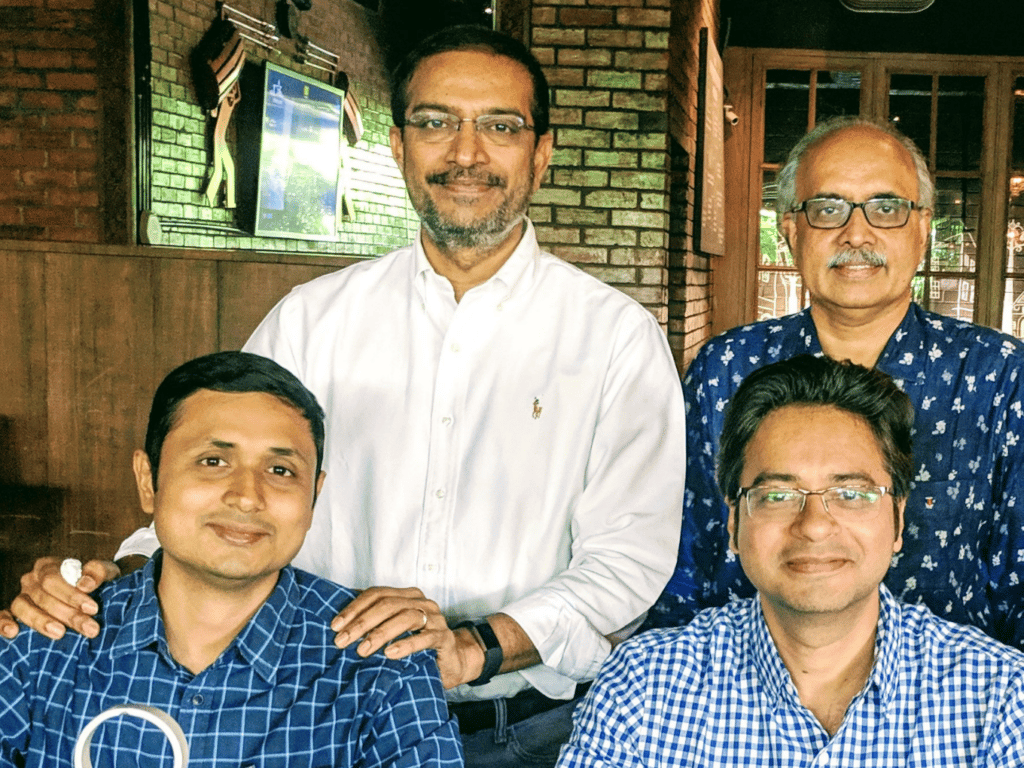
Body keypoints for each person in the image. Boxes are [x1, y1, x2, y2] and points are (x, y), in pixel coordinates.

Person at [2, 26, 686, 767]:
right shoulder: (313, 319)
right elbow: (228, 473)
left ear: (541, 152)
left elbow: (627, 562)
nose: (466, 153)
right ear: (398, 146)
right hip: (315, 723)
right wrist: (102, 585)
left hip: (521, 733)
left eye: (499, 126)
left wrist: (473, 647)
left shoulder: (614, 338)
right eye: (435, 122)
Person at [647, 115, 1024, 648]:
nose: (857, 234)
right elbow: (685, 562)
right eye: (827, 209)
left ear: (922, 229)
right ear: (790, 231)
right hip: (743, 687)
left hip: (951, 695)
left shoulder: (998, 375)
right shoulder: (727, 367)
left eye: (886, 208)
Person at [0, 351, 462, 767]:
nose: (247, 496)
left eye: (280, 470)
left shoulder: (382, 663)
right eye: (213, 461)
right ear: (148, 479)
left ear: (313, 497)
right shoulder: (45, 639)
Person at [559, 356, 1024, 767]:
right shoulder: (642, 687)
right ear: (734, 522)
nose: (815, 526)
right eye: (778, 495)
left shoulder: (1000, 697)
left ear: (898, 519)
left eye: (851, 494)